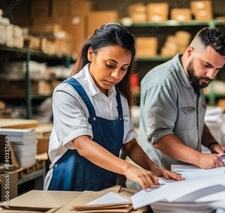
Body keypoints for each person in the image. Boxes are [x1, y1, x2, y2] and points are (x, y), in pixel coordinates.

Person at [44, 24, 182, 191]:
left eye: (124, 68)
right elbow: (82, 145)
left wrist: (154, 169)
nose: (116, 75)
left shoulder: (119, 98)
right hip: (67, 186)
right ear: (91, 55)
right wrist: (128, 168)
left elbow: (129, 144)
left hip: (103, 189)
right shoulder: (68, 93)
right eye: (110, 65)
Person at [139, 27, 225, 170]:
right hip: (160, 175)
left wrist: (212, 144)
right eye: (206, 65)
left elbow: (194, 120)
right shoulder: (163, 82)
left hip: (186, 173)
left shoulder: (195, 79)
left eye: (217, 69)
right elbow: (159, 137)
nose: (211, 75)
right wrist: (199, 158)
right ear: (189, 52)